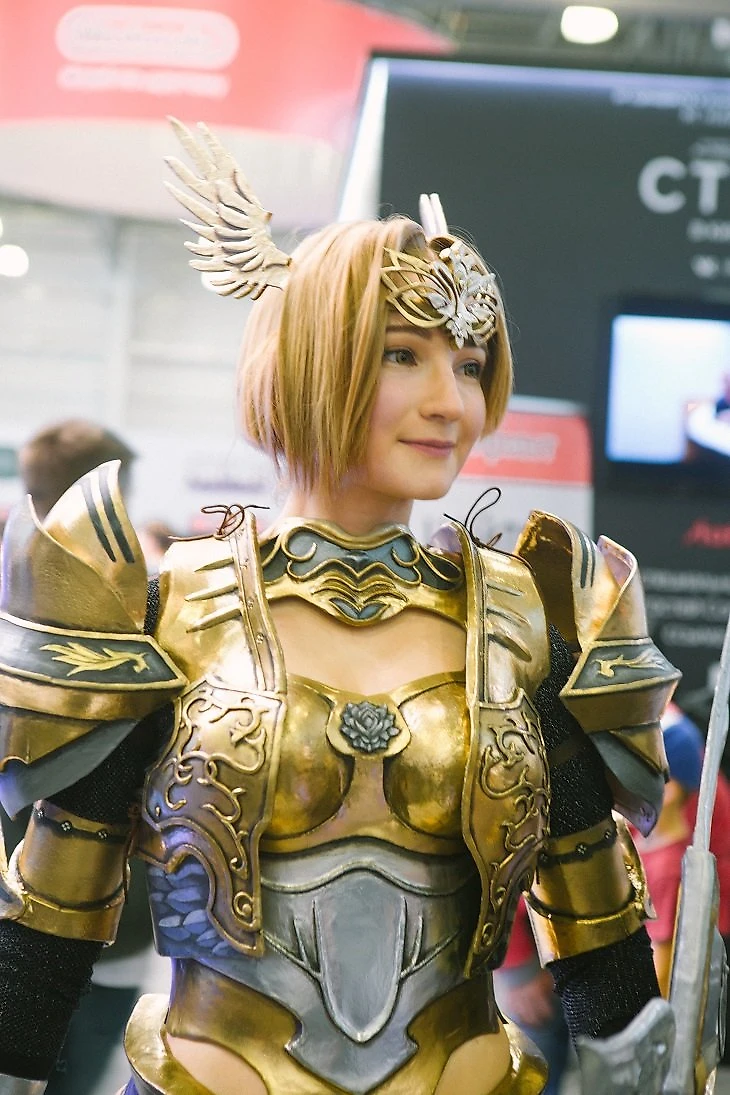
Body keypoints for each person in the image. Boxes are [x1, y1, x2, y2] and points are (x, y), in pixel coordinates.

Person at [0, 122, 682, 1095]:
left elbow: (595, 925)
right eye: (404, 356)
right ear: (311, 359)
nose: (451, 402)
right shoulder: (161, 610)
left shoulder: (528, 619)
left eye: (470, 363)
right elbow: (48, 923)